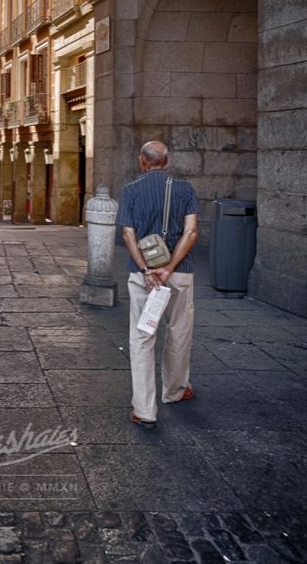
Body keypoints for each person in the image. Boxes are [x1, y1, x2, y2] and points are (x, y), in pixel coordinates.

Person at [116, 140, 198, 428]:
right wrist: (169, 268)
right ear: (167, 161)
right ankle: (175, 391)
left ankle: (144, 410)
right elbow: (190, 233)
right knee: (178, 331)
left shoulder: (130, 190)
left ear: (142, 160)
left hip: (142, 276)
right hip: (180, 272)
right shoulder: (185, 189)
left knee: (141, 337)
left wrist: (146, 269)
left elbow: (128, 234)